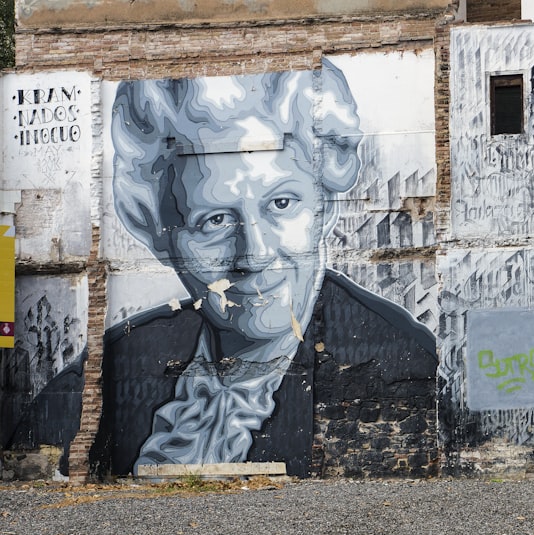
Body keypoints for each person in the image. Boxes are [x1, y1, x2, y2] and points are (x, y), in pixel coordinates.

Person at [102, 59, 436, 476]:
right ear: (157, 233)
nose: (255, 254)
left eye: (281, 204)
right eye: (215, 221)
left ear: (325, 210)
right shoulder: (112, 362)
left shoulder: (403, 364)